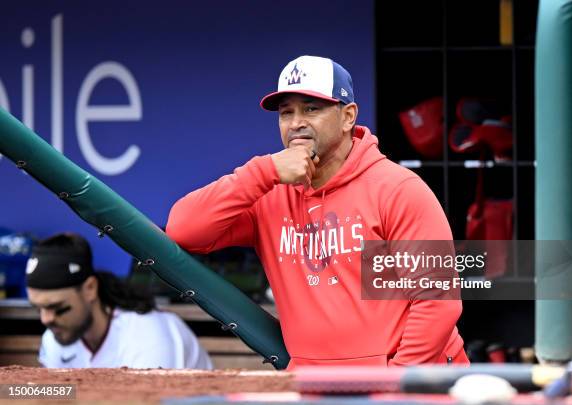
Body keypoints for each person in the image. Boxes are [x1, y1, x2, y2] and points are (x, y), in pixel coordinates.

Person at [166, 55, 468, 368]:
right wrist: (263, 172)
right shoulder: (268, 191)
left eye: (312, 108)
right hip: (317, 383)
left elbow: (436, 300)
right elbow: (184, 229)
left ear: (348, 116)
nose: (296, 122)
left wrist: (396, 383)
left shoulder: (397, 188)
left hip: (406, 382)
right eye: (286, 112)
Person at [26, 233, 213, 369]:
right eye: (38, 309)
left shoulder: (149, 336)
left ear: (90, 289)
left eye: (57, 308)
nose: (46, 319)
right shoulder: (55, 337)